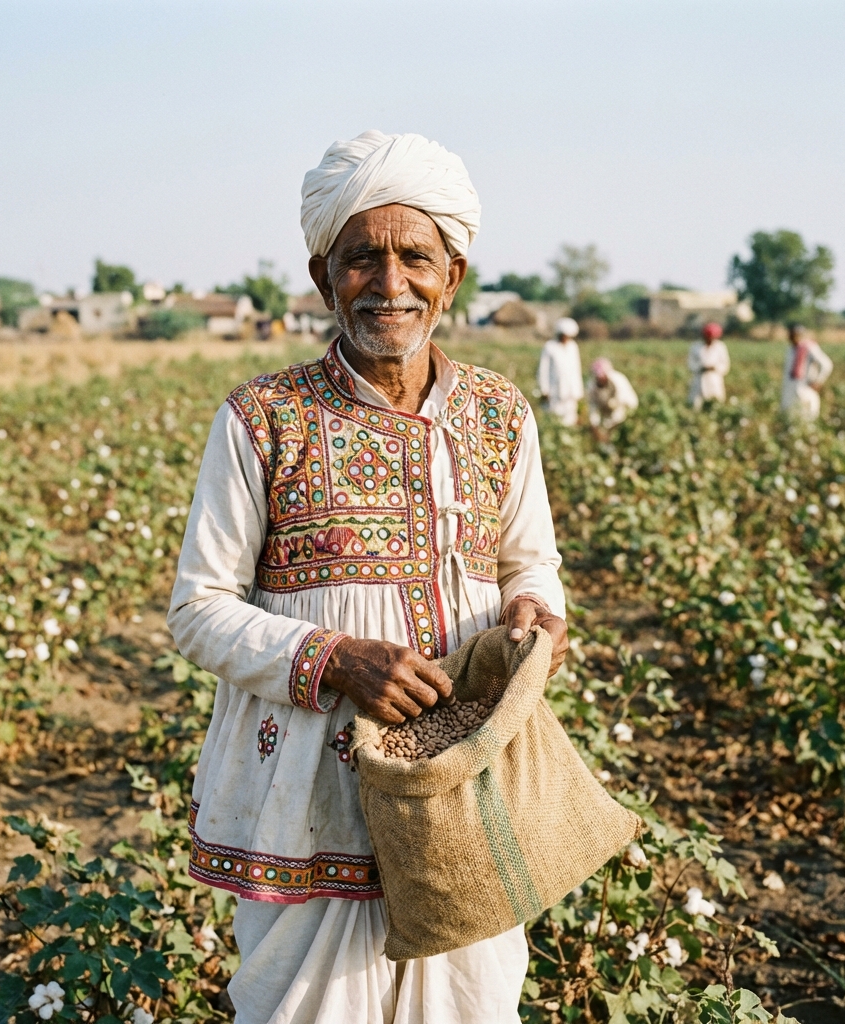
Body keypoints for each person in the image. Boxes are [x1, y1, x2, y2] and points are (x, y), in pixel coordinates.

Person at [169, 130, 570, 1024]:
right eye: (362, 259)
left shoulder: (502, 413)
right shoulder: (262, 419)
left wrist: (535, 613)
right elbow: (197, 608)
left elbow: (530, 559)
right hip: (312, 792)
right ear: (324, 279)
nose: (390, 284)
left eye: (415, 258)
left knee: (470, 1003)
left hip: (465, 785)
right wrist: (336, 658)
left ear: (451, 276)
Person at [537, 317, 584, 425]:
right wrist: (544, 390)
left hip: (570, 391)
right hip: (554, 390)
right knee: (554, 418)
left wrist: (578, 391)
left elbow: (576, 369)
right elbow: (543, 369)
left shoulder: (573, 347)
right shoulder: (550, 346)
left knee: (570, 419)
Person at [781, 323, 832, 421]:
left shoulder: (809, 348)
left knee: (806, 417)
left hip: (805, 388)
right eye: (790, 334)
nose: (791, 337)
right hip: (791, 388)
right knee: (790, 416)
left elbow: (826, 365)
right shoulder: (791, 349)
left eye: (794, 334)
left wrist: (818, 381)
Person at [586, 356, 638, 436]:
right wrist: (594, 425)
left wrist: (613, 426)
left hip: (626, 407)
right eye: (598, 378)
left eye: (603, 378)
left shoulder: (618, 381)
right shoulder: (592, 385)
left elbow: (622, 404)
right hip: (608, 409)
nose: (601, 380)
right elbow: (593, 405)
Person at [687, 321, 731, 409]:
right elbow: (690, 363)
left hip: (714, 378)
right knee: (696, 402)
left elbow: (725, 364)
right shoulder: (696, 347)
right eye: (707, 337)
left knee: (715, 401)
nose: (709, 339)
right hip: (699, 377)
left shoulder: (720, 347)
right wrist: (701, 367)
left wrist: (715, 367)